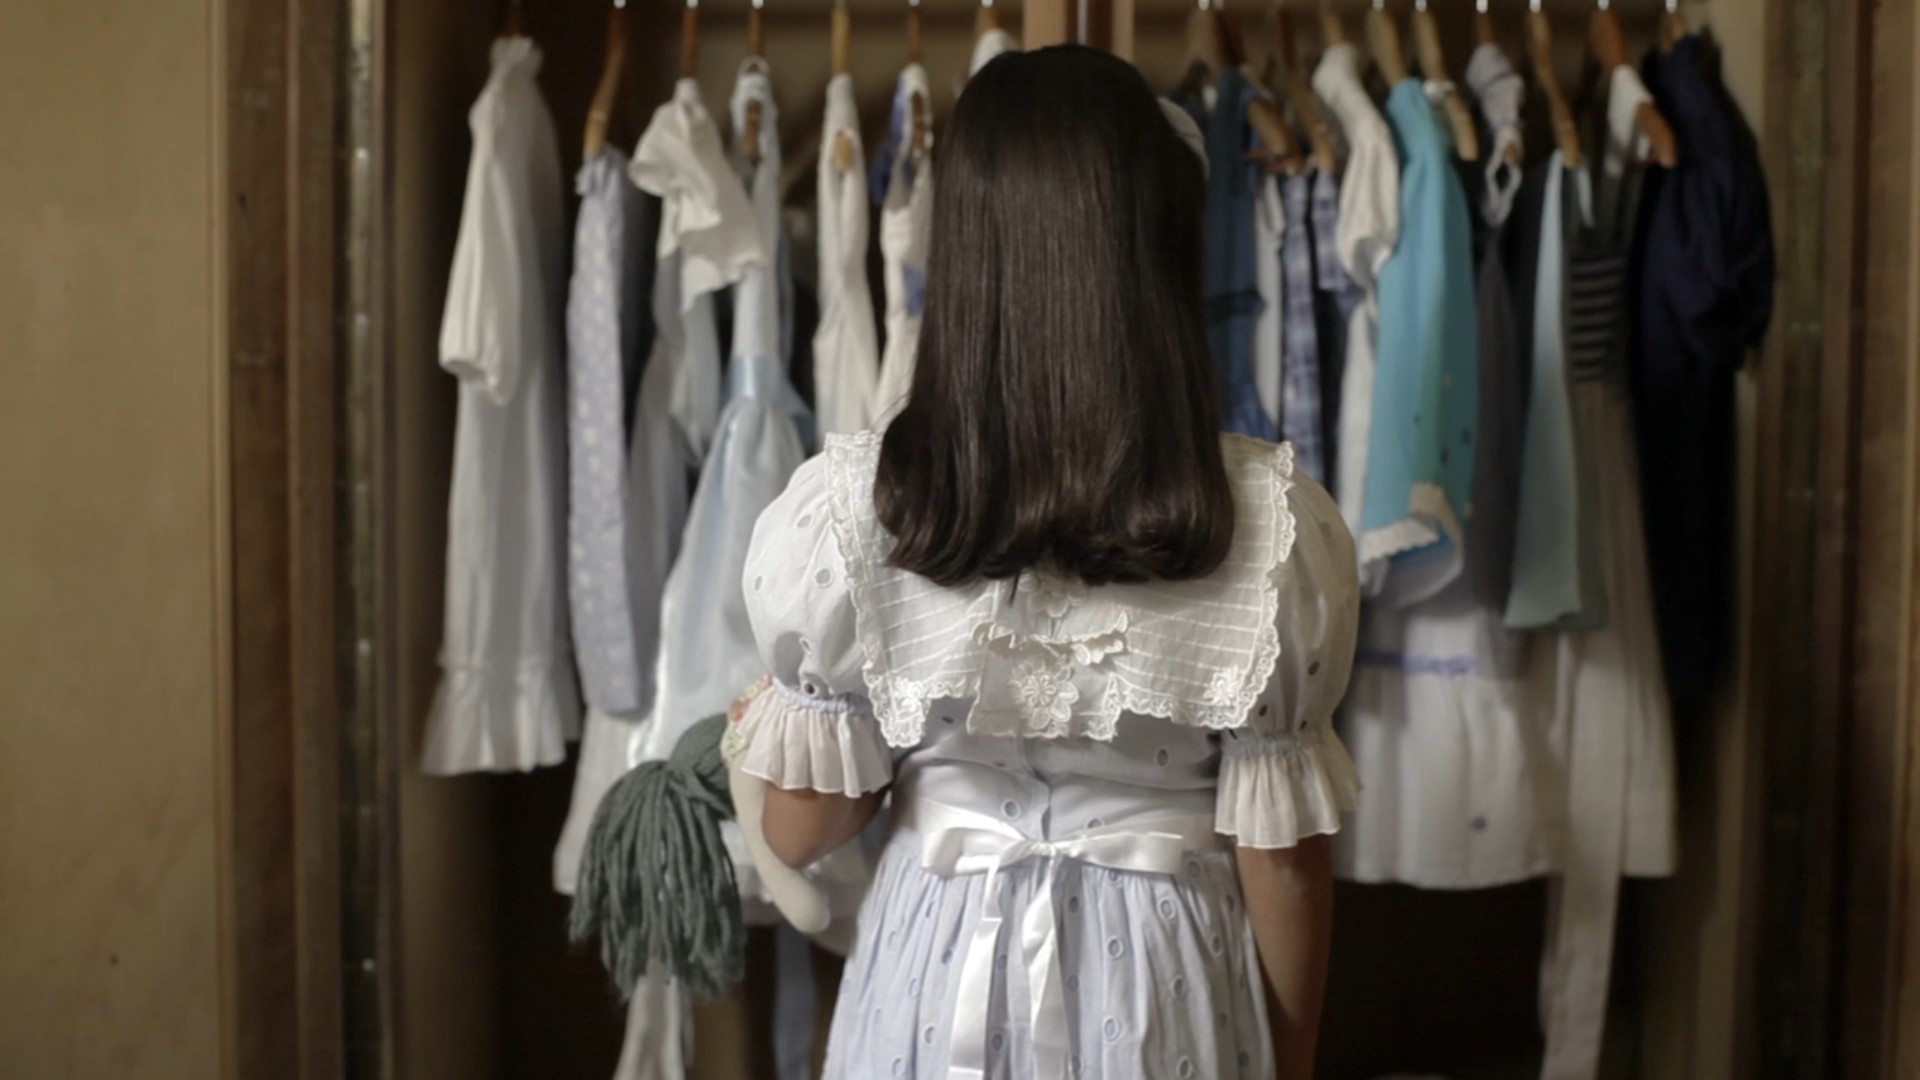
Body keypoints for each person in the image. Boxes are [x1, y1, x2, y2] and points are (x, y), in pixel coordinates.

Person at [729, 45, 1361, 1080]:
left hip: (931, 975)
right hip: (1168, 989)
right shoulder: (1273, 527)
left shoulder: (856, 512)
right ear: (1158, 248)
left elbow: (806, 832)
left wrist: (763, 739)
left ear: (966, 251)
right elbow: (1285, 862)